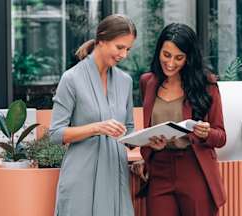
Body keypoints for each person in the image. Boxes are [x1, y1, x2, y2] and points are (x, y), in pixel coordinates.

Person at [134, 23, 227, 216]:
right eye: (166, 55)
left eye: (179, 58)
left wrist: (206, 133)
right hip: (160, 169)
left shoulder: (206, 85)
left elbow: (221, 137)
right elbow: (149, 129)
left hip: (194, 169)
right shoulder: (148, 82)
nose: (170, 63)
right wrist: (151, 148)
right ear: (159, 50)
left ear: (189, 58)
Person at [49, 14, 137, 216]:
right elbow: (55, 134)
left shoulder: (125, 81)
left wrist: (149, 140)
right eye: (120, 47)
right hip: (81, 179)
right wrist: (96, 127)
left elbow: (129, 130)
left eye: (128, 49)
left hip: (115, 177)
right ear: (102, 41)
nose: (124, 55)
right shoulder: (71, 79)